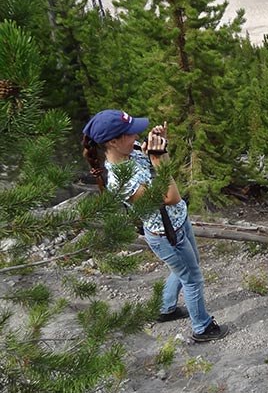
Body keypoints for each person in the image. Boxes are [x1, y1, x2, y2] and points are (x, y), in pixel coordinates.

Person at [81, 109, 229, 343]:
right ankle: (202, 327)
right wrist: (159, 162)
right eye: (130, 133)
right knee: (192, 277)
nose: (137, 135)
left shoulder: (132, 150)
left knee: (187, 269)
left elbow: (164, 169)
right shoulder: (120, 181)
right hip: (166, 235)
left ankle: (165, 308)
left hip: (178, 222)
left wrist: (161, 149)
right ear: (112, 141)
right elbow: (172, 196)